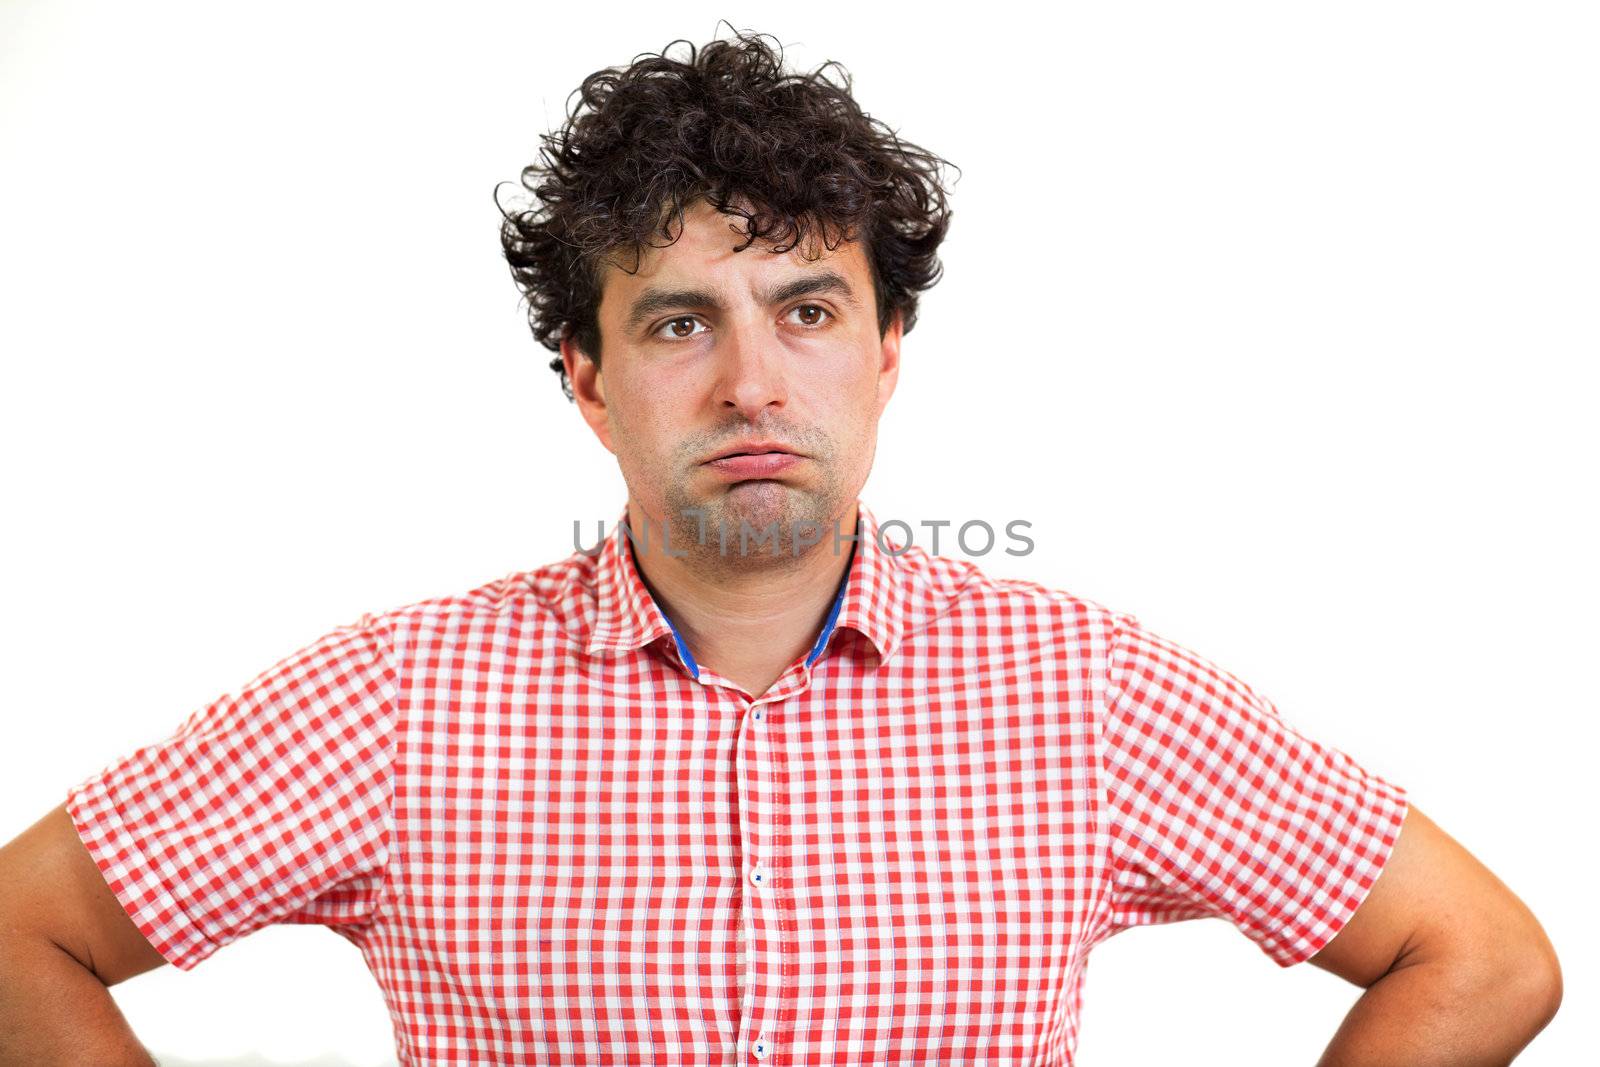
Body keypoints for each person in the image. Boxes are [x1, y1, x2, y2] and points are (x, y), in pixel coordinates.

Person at [0, 27, 1562, 1067]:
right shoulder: (401, 700)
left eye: (807, 311)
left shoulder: (1084, 694)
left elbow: (1480, 957)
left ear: (885, 354)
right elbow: (23, 935)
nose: (752, 382)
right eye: (683, 321)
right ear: (592, 381)